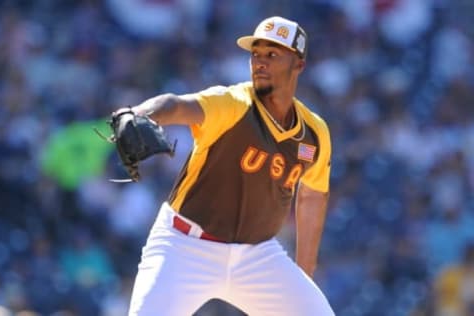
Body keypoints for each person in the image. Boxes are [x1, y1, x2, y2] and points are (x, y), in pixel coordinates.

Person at [121, 16, 335, 316]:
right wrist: (141, 113)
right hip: (184, 246)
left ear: (298, 65)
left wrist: (303, 279)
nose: (260, 62)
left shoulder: (314, 133)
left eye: (272, 55)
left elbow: (313, 195)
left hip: (258, 255)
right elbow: (177, 104)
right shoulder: (234, 104)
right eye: (256, 54)